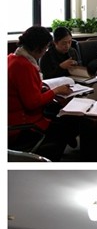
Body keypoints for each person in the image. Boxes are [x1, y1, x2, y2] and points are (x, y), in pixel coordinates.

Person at [8, 25, 72, 160]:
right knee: (64, 128)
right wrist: (56, 90)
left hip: (11, 118)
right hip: (21, 126)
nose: (46, 51)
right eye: (46, 47)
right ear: (38, 48)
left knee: (60, 118)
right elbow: (32, 103)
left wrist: (42, 88)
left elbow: (25, 88)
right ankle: (48, 161)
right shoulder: (23, 66)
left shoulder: (12, 58)